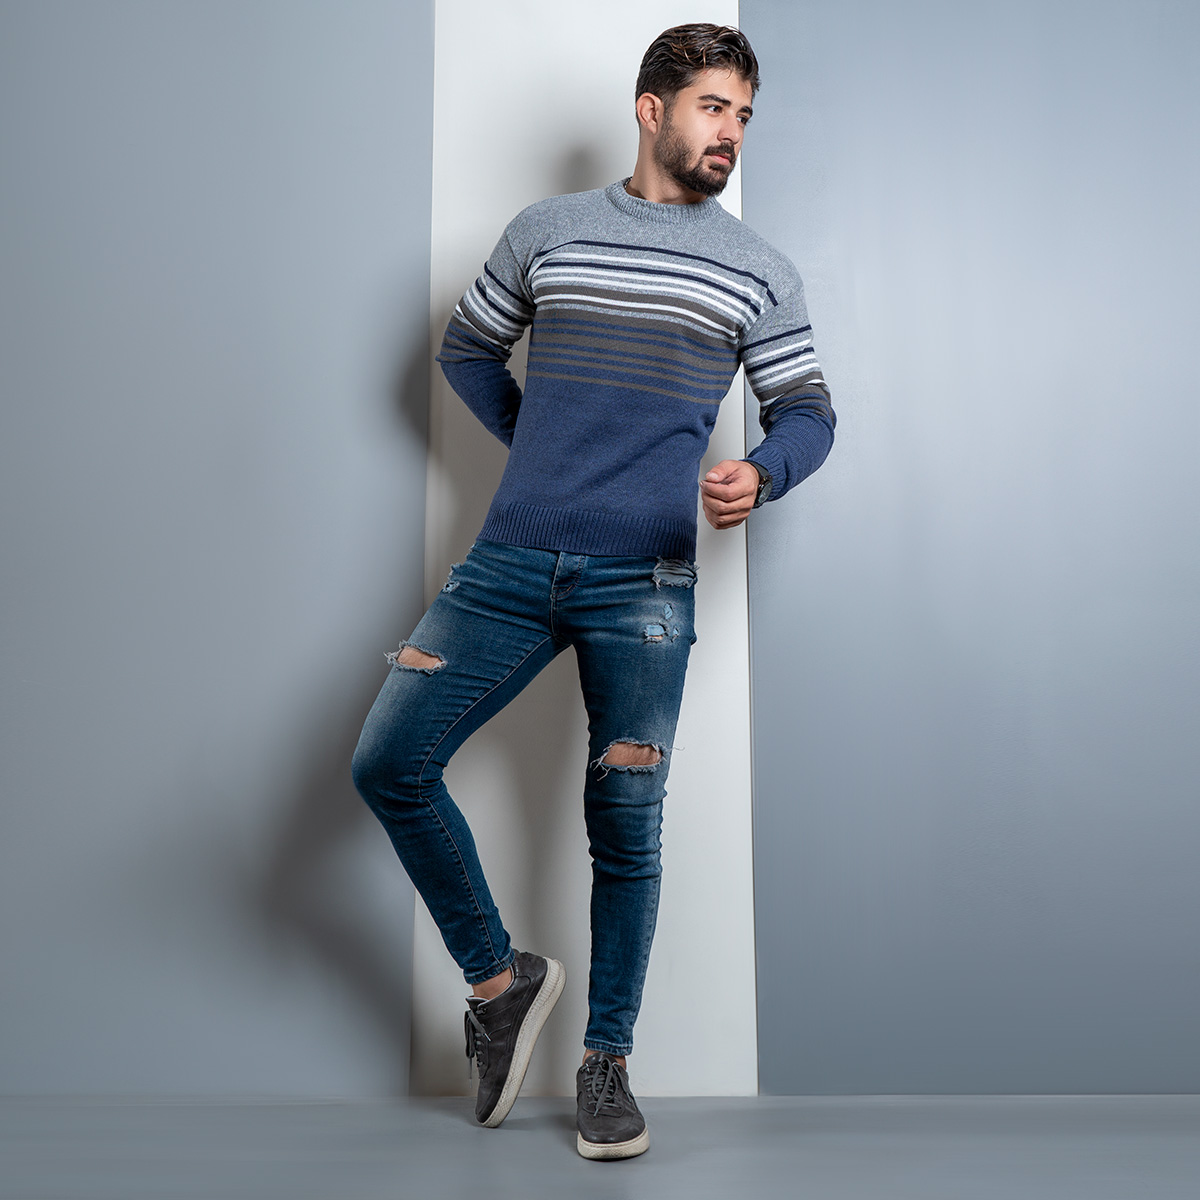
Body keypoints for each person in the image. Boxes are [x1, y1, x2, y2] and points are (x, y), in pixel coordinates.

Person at [352, 22, 834, 1160]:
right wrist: (541, 449)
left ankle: (606, 1064)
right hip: (510, 564)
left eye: (744, 116)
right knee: (388, 762)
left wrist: (763, 471)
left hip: (648, 581)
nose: (731, 133)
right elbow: (466, 350)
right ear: (651, 108)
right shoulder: (549, 231)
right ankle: (499, 980)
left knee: (626, 825)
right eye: (713, 107)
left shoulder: (758, 268)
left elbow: (809, 412)